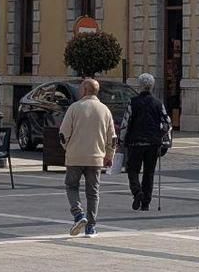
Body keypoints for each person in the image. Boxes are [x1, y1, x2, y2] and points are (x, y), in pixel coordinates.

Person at [59, 79, 116, 238]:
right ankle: (91, 227)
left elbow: (63, 134)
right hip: (96, 157)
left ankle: (78, 214)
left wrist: (68, 148)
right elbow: (112, 137)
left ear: (84, 90)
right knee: (93, 192)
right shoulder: (105, 110)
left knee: (71, 186)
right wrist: (109, 155)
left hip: (75, 156)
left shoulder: (74, 108)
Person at [118, 73, 171, 212]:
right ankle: (146, 203)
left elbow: (126, 122)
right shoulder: (158, 103)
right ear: (152, 86)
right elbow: (167, 122)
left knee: (132, 170)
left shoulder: (133, 102)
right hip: (153, 143)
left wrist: (121, 139)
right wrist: (162, 136)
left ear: (140, 86)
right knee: (149, 173)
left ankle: (137, 192)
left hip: (136, 142)